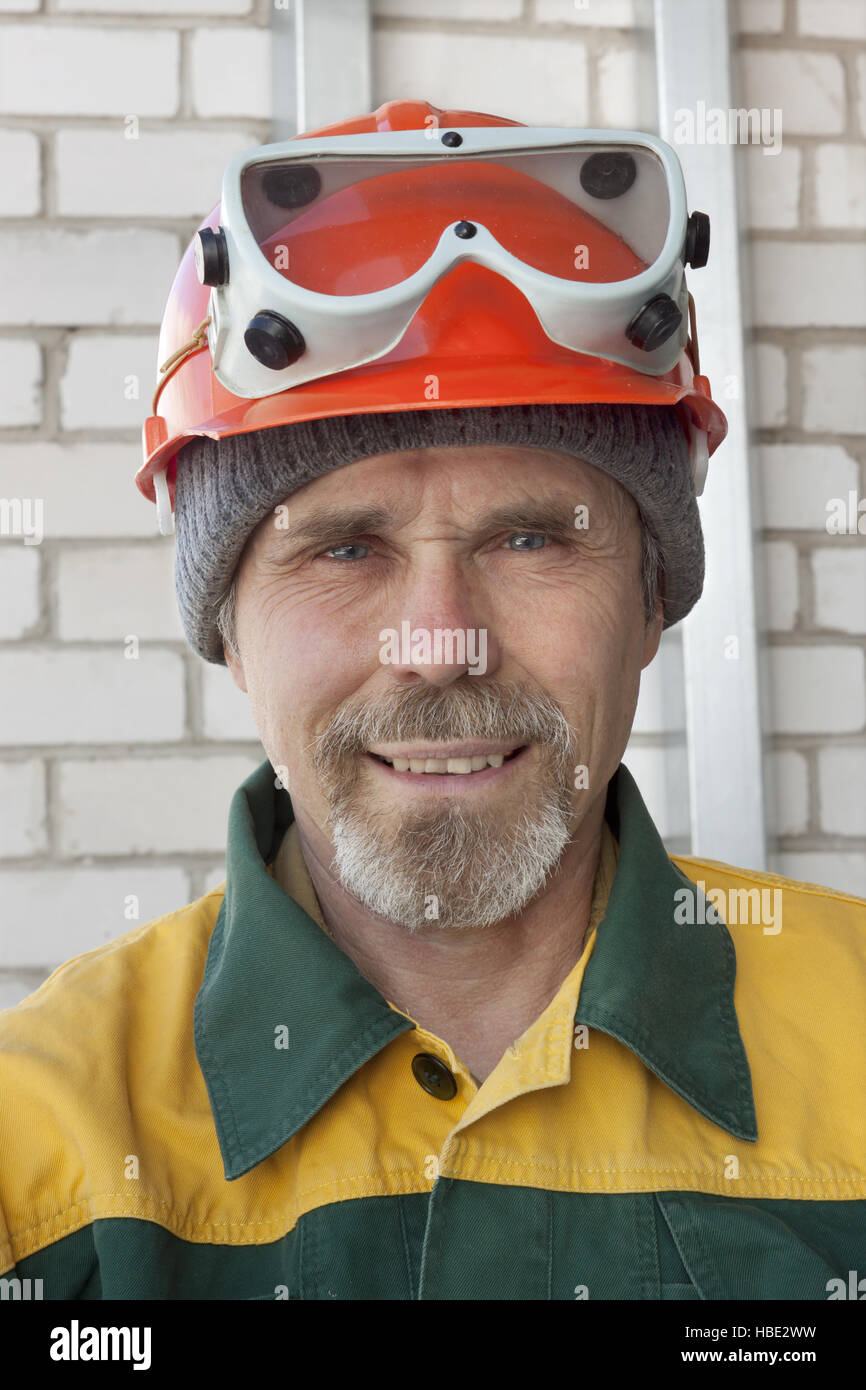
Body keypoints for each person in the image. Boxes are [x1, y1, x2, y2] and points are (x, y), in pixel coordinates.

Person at [2, 100, 864, 1302]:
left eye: (526, 538)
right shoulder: (38, 1145)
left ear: (652, 593)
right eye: (344, 549)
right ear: (230, 634)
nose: (440, 642)